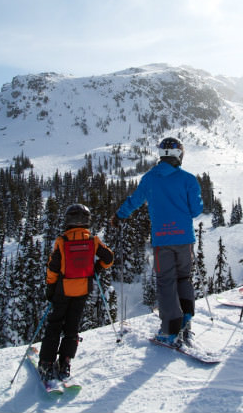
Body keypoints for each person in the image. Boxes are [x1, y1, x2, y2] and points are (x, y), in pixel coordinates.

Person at [112, 137, 203, 346]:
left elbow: (134, 201)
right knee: (183, 277)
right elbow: (196, 210)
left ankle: (170, 328)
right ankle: (186, 316)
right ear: (180, 154)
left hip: (162, 239)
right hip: (184, 239)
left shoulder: (150, 178)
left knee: (166, 281)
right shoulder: (188, 179)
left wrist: (119, 215)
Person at [38, 203, 114, 382]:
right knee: (72, 326)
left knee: (55, 325)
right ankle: (65, 362)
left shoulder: (62, 241)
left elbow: (53, 269)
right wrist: (97, 267)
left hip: (63, 290)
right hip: (83, 290)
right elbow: (109, 258)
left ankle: (46, 363)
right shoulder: (93, 240)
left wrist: (50, 288)